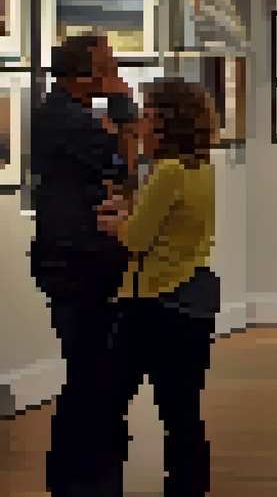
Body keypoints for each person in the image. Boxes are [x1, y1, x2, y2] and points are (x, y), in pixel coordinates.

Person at [96, 77, 222, 497]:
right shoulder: (199, 168)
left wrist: (115, 223)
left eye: (149, 115)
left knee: (110, 401)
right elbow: (167, 223)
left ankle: (99, 483)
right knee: (182, 412)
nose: (142, 123)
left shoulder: (167, 171)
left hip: (155, 303)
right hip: (191, 300)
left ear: (168, 123)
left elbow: (136, 239)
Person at [29, 32, 139, 497]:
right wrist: (123, 108)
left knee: (90, 372)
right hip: (78, 261)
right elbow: (125, 167)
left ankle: (82, 474)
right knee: (92, 373)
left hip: (77, 257)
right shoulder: (67, 118)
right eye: (108, 65)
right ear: (86, 73)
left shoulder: (63, 113)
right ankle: (85, 477)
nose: (115, 73)